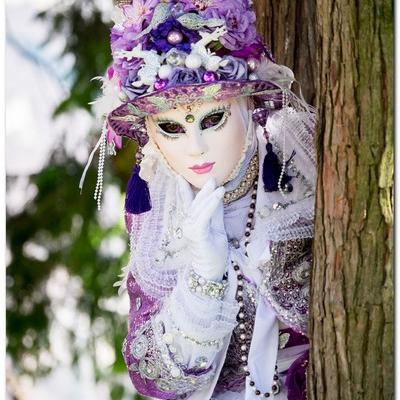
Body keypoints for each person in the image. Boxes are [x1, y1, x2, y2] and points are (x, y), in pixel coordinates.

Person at [88, 0, 316, 398]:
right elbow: (153, 378)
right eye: (171, 127)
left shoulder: (298, 165)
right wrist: (204, 278)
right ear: (150, 135)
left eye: (213, 119)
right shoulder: (160, 209)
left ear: (249, 104)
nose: (195, 147)